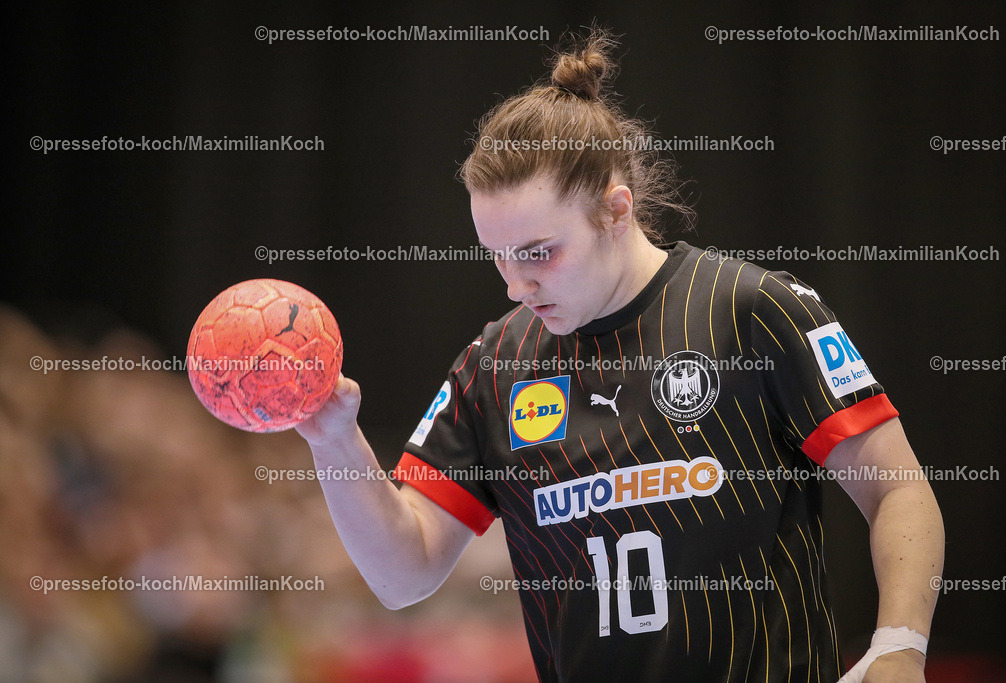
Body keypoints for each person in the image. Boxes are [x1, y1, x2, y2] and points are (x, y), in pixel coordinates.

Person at [297, 29, 943, 682]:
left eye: (539, 252)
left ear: (615, 211)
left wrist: (898, 644)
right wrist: (333, 440)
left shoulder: (750, 310)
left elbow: (898, 489)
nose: (515, 285)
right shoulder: (495, 364)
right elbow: (402, 575)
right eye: (497, 255)